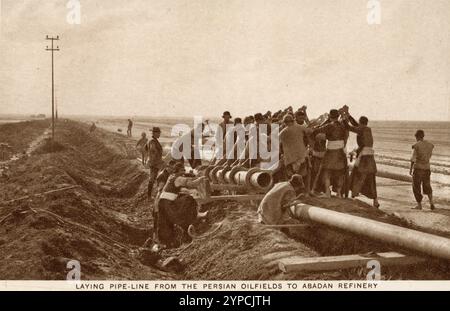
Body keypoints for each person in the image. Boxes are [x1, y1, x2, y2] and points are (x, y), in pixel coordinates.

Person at [157, 163, 208, 247]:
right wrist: (201, 179)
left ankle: (168, 243)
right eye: (182, 170)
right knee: (188, 202)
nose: (184, 172)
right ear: (178, 170)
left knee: (166, 223)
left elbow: (181, 188)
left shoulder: (172, 177)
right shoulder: (179, 178)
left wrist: (191, 190)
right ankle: (194, 218)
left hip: (163, 202)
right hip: (167, 203)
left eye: (184, 170)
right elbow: (191, 184)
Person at [343, 113, 379, 208]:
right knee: (371, 179)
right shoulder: (367, 129)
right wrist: (348, 115)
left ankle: (353, 196)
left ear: (361, 123)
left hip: (364, 157)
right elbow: (356, 125)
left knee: (357, 175)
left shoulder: (362, 129)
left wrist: (344, 118)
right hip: (370, 157)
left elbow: (349, 127)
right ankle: (375, 200)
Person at [313, 109, 348, 198]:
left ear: (330, 116)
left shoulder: (329, 126)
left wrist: (318, 132)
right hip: (341, 151)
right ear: (338, 116)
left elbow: (316, 130)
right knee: (340, 172)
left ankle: (327, 192)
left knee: (326, 171)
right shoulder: (343, 126)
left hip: (331, 152)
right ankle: (339, 193)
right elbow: (345, 137)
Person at [279, 114, 312, 193]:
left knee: (290, 177)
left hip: (289, 158)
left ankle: (292, 192)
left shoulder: (282, 132)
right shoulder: (299, 127)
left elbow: (278, 144)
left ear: (284, 123)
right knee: (306, 174)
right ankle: (307, 192)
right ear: (293, 120)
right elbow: (310, 131)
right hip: (301, 156)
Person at [152, 160, 177, 243]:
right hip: (160, 198)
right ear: (168, 167)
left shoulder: (169, 174)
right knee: (159, 220)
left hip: (165, 199)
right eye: (172, 168)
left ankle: (166, 240)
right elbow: (161, 189)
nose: (173, 170)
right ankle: (157, 240)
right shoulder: (162, 176)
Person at [410, 130, 435, 210]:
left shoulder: (416, 145)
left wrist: (410, 169)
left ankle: (419, 205)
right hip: (427, 168)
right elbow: (430, 155)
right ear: (423, 136)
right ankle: (431, 202)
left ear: (417, 136)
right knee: (427, 186)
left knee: (416, 187)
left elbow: (413, 159)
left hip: (418, 168)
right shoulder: (429, 145)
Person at [147, 127, 163, 199]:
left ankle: (150, 195)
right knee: (152, 179)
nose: (159, 134)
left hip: (155, 163)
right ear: (154, 133)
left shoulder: (154, 141)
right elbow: (153, 151)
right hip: (154, 163)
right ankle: (149, 196)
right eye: (158, 133)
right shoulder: (153, 141)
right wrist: (154, 161)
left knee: (154, 178)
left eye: (159, 133)